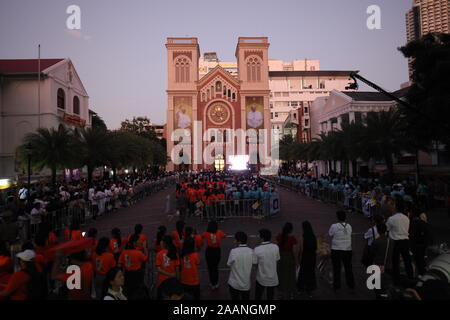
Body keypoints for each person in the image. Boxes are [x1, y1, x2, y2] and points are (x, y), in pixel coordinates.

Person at [386, 196, 414, 283]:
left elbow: (387, 229)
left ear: (396, 207)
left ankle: (396, 279)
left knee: (395, 261)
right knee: (407, 260)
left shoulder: (391, 219)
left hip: (395, 241)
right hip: (405, 240)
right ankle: (410, 277)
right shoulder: (406, 218)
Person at [328, 210, 355, 292]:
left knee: (336, 268)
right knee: (348, 268)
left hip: (336, 249)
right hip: (347, 249)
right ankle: (351, 285)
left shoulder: (334, 226)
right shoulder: (349, 226)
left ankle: (337, 286)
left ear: (337, 217)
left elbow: (330, 234)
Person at [118, 234, 148, 299]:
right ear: (134, 243)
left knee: (129, 292)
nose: (140, 241)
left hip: (127, 275)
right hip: (137, 275)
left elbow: (119, 264)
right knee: (137, 293)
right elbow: (145, 258)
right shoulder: (138, 253)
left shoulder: (124, 252)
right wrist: (145, 247)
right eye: (139, 240)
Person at [253, 229, 280, 300]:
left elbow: (255, 264)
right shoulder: (275, 247)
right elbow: (277, 260)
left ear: (262, 238)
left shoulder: (257, 249)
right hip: (272, 277)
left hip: (261, 278)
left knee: (258, 296)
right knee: (270, 296)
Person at [227, 231, 253, 300]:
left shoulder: (233, 251)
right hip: (246, 284)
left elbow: (228, 264)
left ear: (239, 241)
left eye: (235, 239)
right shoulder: (251, 251)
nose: (234, 241)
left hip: (234, 283)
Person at [201, 220, 226, 290]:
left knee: (210, 268)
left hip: (209, 251)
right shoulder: (219, 232)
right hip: (217, 251)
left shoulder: (206, 233)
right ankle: (216, 283)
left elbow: (201, 237)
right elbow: (224, 236)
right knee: (215, 267)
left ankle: (212, 283)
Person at [276, 222, 298, 299]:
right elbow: (294, 251)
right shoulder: (293, 238)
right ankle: (291, 293)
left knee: (281, 275)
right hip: (289, 258)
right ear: (291, 230)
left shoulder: (279, 236)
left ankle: (280, 293)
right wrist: (297, 261)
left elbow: (277, 248)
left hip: (281, 257)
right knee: (291, 276)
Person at [297, 221, 317, 298]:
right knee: (311, 273)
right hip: (312, 257)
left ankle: (300, 288)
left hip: (305, 257)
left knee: (302, 273)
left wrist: (298, 257)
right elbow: (315, 248)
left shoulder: (302, 237)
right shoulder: (313, 236)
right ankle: (310, 290)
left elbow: (301, 249)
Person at [156, 235, 180, 299]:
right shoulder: (174, 253)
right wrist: (177, 279)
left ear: (164, 243)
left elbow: (159, 269)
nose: (160, 242)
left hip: (162, 282)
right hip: (172, 282)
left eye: (161, 241)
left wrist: (170, 274)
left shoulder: (159, 254)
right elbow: (177, 269)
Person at [409, 210, 432, 276]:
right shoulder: (425, 225)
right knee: (422, 260)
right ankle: (422, 272)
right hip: (423, 245)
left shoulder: (416, 224)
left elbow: (413, 236)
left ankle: (420, 273)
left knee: (418, 261)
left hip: (417, 246)